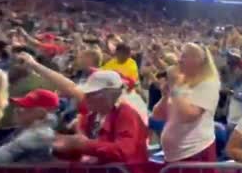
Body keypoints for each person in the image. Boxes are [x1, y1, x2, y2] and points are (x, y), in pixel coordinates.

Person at [17, 52, 148, 163]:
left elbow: (124, 151)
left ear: (109, 95)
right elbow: (85, 148)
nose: (85, 96)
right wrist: (58, 144)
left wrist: (82, 145)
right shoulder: (95, 114)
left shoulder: (126, 113)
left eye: (91, 93)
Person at [152, 43, 221, 162]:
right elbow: (158, 115)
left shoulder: (208, 83)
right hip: (173, 156)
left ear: (198, 60)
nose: (179, 60)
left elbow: (188, 116)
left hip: (196, 153)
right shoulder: (181, 81)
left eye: (184, 56)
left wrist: (176, 88)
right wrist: (166, 95)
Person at [0, 89, 58, 165]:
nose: (17, 110)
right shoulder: (30, 130)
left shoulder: (39, 135)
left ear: (40, 113)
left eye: (24, 106)